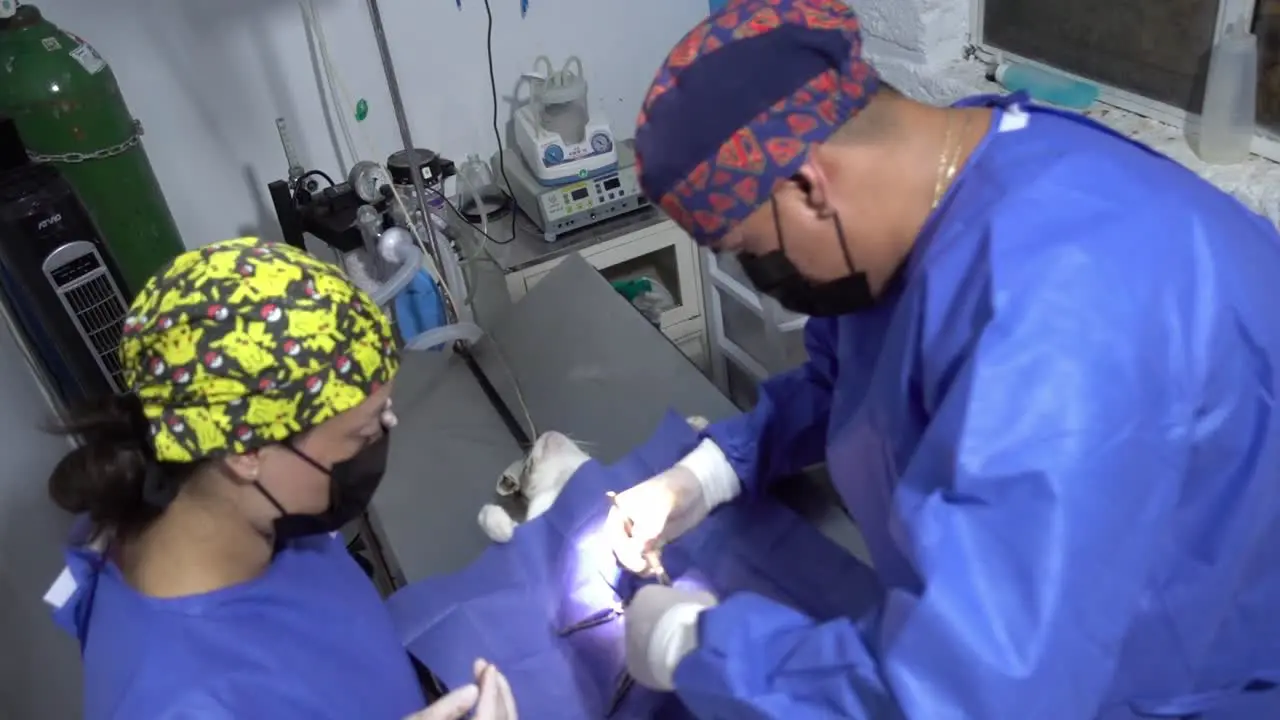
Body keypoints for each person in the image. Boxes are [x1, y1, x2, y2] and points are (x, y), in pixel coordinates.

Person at [608, 1, 1280, 718]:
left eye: (748, 250)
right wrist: (708, 473)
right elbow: (856, 378)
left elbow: (974, 692)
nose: (758, 276)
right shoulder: (939, 174)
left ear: (808, 185)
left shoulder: (1066, 307)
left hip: (1167, 686)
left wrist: (695, 647)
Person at [45, 238, 518, 719]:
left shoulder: (256, 514)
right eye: (363, 430)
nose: (382, 436)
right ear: (247, 452)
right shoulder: (181, 702)